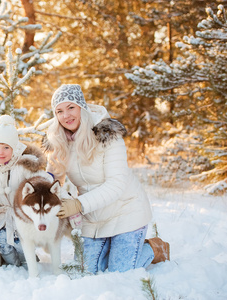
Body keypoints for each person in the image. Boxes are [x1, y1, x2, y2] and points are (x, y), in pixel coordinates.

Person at [44, 84, 169, 274]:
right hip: (93, 218)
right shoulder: (60, 142)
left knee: (120, 271)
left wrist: (77, 205)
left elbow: (116, 184)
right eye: (59, 111)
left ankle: (154, 248)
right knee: (84, 271)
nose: (66, 116)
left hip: (126, 211)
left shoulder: (108, 136)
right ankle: (113, 247)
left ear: (82, 108)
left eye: (71, 108)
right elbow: (52, 178)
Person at [0, 115, 52, 267]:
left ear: (14, 149)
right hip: (1, 215)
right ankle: (12, 266)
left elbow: (40, 179)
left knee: (21, 242)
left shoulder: (23, 166)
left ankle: (28, 261)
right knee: (3, 242)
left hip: (22, 214)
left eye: (6, 147)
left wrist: (49, 187)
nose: (0, 152)